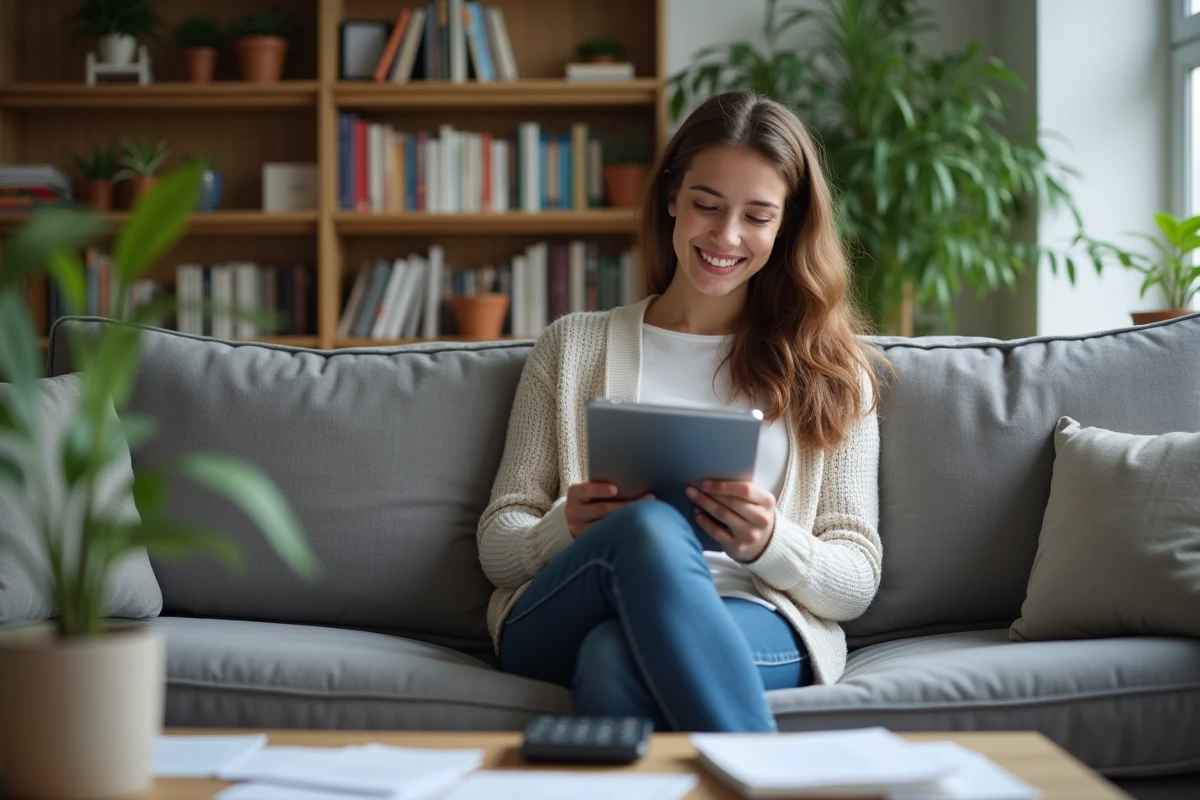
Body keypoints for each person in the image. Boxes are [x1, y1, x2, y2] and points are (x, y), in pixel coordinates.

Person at [476, 90, 889, 733]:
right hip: (571, 603)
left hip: (749, 616)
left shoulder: (831, 372)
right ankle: (768, 779)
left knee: (615, 658)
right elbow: (498, 545)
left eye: (757, 215)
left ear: (785, 226)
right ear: (671, 196)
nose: (726, 236)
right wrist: (566, 528)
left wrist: (771, 541)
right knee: (646, 530)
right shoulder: (571, 346)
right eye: (706, 205)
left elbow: (856, 579)